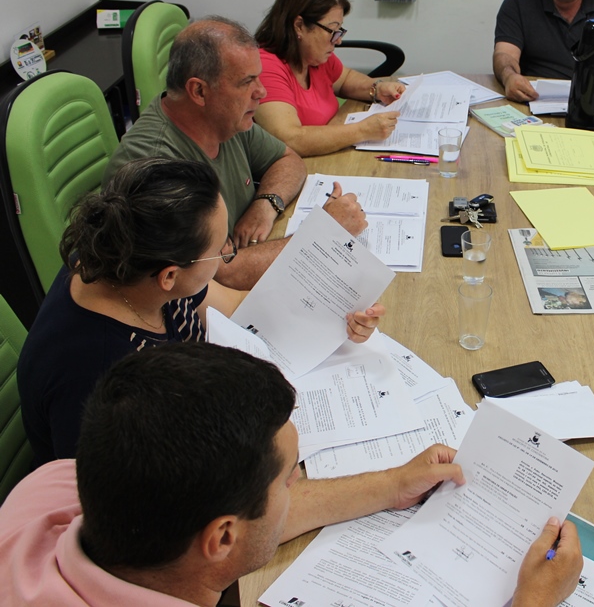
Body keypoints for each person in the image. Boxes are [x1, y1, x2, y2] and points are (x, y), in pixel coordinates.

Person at [0, 343, 584, 606]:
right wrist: (533, 602)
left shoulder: (50, 488)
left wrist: (390, 486)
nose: (299, 485)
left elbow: (239, 510)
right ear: (220, 538)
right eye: (289, 480)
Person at [17, 158, 383, 467]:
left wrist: (336, 316)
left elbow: (239, 308)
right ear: (170, 276)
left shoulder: (132, 258)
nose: (227, 253)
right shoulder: (98, 373)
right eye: (220, 251)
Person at [104, 17, 368, 290]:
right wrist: (324, 234)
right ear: (199, 91)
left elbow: (288, 160)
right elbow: (223, 274)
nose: (261, 91)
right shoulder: (157, 168)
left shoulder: (224, 118)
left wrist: (265, 204)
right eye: (247, 81)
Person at [254, 0, 405, 157]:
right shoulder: (265, 68)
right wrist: (362, 130)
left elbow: (345, 80)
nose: (338, 40)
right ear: (299, 26)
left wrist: (377, 88)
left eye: (339, 31)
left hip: (327, 154)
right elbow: (290, 140)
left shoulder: (313, 57)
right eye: (332, 31)